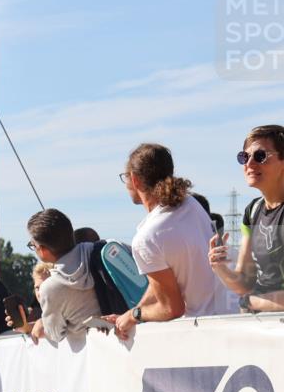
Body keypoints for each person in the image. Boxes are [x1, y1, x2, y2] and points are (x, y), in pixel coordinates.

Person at [107, 143, 229, 340]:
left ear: (135, 180)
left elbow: (171, 308)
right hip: (231, 322)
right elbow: (164, 283)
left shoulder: (147, 237)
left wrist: (134, 315)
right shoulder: (192, 204)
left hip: (201, 337)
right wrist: (130, 314)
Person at [210, 124, 284, 313]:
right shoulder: (253, 210)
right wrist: (219, 267)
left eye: (260, 156)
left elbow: (247, 295)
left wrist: (251, 302)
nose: (249, 164)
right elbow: (244, 281)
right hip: (263, 331)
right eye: (244, 157)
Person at [24, 209, 102, 344]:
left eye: (33, 245)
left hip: (94, 355)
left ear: (42, 250)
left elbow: (55, 334)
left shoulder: (50, 288)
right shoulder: (104, 250)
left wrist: (42, 322)